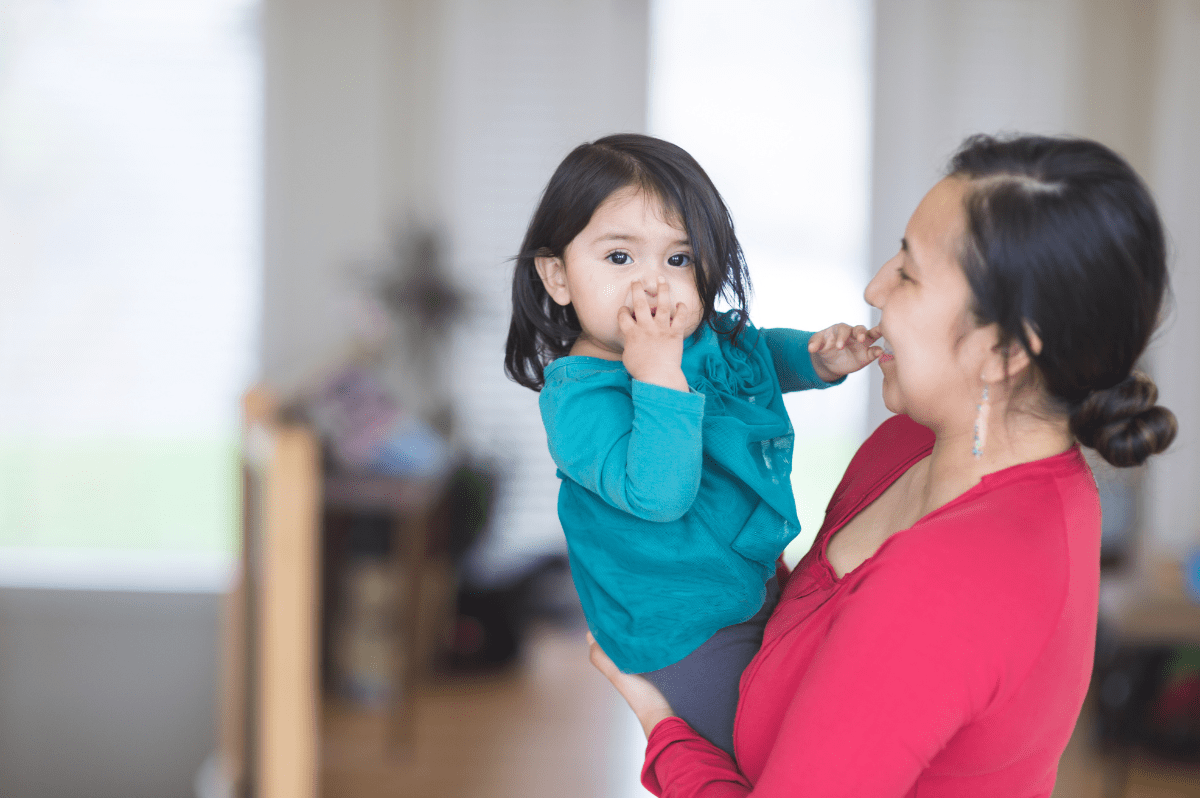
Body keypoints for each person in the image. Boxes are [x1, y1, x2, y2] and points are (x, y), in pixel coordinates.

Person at [589, 133, 1178, 796]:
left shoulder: (950, 583)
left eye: (909, 272)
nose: (874, 286)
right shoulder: (909, 444)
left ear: (1006, 350)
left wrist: (664, 727)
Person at [504, 133, 879, 756]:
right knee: (753, 751)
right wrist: (657, 375)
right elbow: (659, 492)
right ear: (558, 276)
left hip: (743, 577)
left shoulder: (695, 335)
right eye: (620, 258)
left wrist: (819, 357)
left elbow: (752, 354)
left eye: (679, 260)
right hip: (677, 627)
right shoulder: (579, 399)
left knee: (811, 706)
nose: (655, 285)